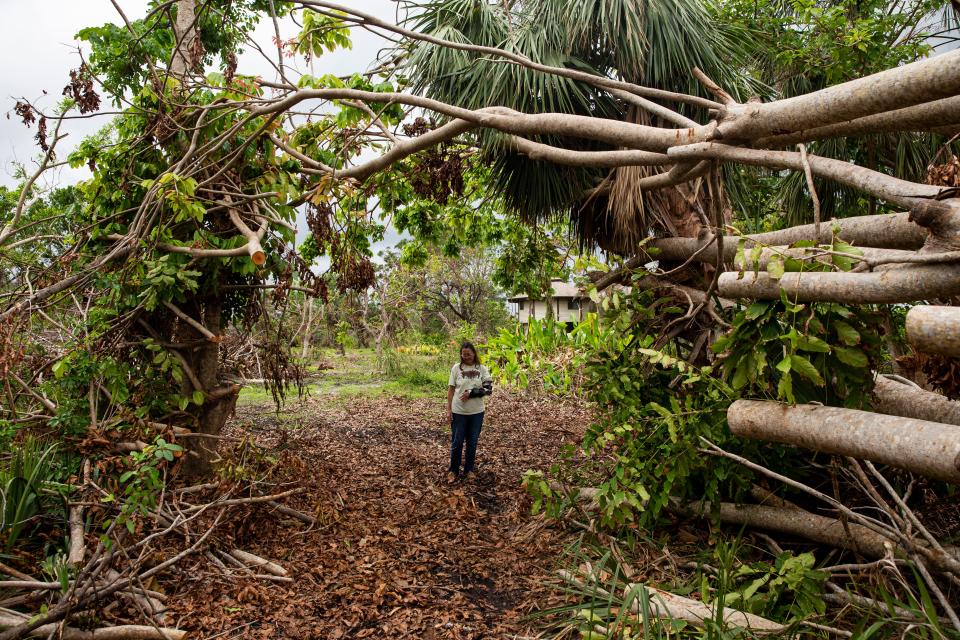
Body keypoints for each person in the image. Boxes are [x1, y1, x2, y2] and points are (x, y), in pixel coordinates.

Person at [446, 342, 493, 483]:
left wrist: (471, 393)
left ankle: (469, 470)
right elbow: (451, 390)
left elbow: (488, 389)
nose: (466, 356)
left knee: (472, 442)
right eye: (463, 354)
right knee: (457, 441)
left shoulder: (482, 369)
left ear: (474, 353)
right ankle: (453, 471)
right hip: (458, 411)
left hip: (476, 412)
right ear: (461, 355)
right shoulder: (456, 368)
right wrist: (448, 410)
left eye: (469, 354)